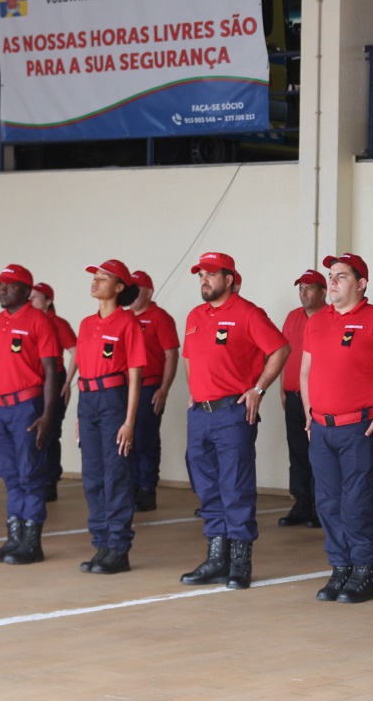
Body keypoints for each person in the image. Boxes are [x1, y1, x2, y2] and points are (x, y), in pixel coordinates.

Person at [180, 251, 289, 590]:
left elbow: (280, 349)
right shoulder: (195, 315)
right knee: (207, 486)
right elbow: (189, 357)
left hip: (231, 413)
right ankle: (216, 557)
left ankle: (240, 562)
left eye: (211, 275)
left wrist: (258, 389)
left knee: (235, 486)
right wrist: (193, 393)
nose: (204, 280)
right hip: (200, 414)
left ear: (229, 279)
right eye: (201, 275)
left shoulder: (248, 313)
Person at [302, 252, 373, 604]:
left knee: (359, 502)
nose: (332, 282)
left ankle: (364, 570)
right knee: (327, 503)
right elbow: (306, 370)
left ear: (362, 283)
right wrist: (309, 411)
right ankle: (340, 567)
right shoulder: (317, 321)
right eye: (331, 276)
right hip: (322, 428)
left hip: (361, 428)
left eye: (341, 276)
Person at [0, 264, 60, 565]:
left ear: (27, 291)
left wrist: (46, 415)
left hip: (26, 405)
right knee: (10, 475)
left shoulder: (39, 321)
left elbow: (51, 371)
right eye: (0, 286)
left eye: (10, 286)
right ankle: (14, 538)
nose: (2, 290)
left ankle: (32, 541)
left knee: (30, 474)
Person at [75, 260, 146, 575]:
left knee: (115, 473)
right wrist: (79, 414)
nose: (96, 281)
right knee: (92, 475)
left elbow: (135, 377)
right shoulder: (86, 324)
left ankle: (118, 547)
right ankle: (101, 544)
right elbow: (82, 370)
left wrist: (129, 421)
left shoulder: (128, 323)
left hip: (113, 400)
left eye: (104, 278)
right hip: (87, 400)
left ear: (119, 288)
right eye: (95, 277)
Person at [127, 270, 180, 512]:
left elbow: (171, 354)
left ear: (149, 292)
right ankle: (133, 486)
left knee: (145, 440)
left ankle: (147, 489)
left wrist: (164, 389)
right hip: (126, 389)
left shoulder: (160, 317)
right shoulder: (125, 317)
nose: (132, 293)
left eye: (137, 289)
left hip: (149, 387)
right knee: (128, 439)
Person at [278, 269, 327, 528]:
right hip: (293, 397)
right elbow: (284, 354)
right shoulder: (292, 318)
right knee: (297, 451)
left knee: (318, 453)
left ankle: (321, 504)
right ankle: (301, 502)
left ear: (323, 292)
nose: (303, 293)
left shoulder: (330, 318)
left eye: (309, 288)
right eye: (301, 288)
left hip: (318, 400)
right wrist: (281, 389)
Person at [31, 282, 76, 503]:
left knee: (50, 432)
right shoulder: (29, 321)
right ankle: (36, 478)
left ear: (48, 301)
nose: (31, 301)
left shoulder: (57, 323)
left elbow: (76, 352)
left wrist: (67, 382)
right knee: (33, 430)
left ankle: (50, 481)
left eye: (36, 297)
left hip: (54, 379)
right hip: (33, 382)